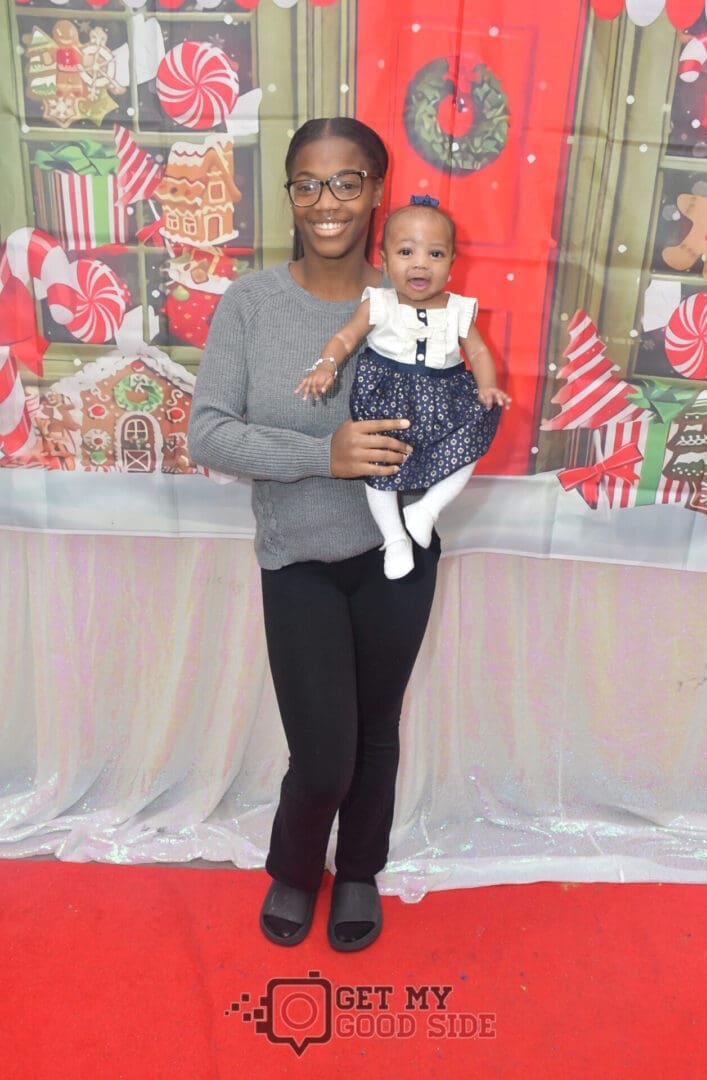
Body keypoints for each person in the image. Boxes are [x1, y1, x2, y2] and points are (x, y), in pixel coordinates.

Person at [188, 117, 439, 953]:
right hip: (297, 555)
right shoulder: (252, 304)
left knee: (376, 730)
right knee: (323, 752)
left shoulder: (409, 298)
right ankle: (296, 868)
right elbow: (209, 433)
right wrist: (322, 455)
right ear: (290, 192)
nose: (326, 201)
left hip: (397, 553)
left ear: (376, 191)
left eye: (346, 181)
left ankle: (358, 869)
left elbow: (449, 410)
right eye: (307, 183)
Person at [296, 198, 510, 579]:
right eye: (406, 252)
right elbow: (346, 338)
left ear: (452, 263)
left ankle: (426, 509)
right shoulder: (379, 303)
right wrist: (326, 364)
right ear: (383, 260)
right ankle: (394, 538)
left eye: (435, 253)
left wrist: (487, 386)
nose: (420, 263)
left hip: (444, 398)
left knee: (471, 442)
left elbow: (477, 350)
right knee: (379, 462)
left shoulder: (458, 309)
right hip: (388, 398)